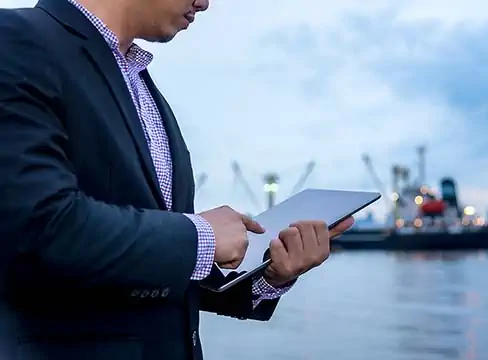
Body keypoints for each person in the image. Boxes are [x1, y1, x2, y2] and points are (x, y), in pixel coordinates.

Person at [0, 0, 354, 359]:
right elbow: (36, 228)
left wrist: (270, 275)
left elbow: (152, 273)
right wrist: (200, 236)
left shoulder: (141, 85)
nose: (205, 2)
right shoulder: (15, 38)